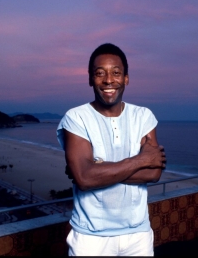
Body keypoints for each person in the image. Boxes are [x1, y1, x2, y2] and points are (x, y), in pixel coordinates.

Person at [57, 43, 166, 256]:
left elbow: (154, 173)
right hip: (90, 238)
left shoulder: (143, 116)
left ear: (126, 78)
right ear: (90, 79)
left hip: (138, 235)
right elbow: (85, 179)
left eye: (116, 73)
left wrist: (97, 169)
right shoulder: (76, 117)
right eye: (100, 73)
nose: (108, 80)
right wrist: (140, 160)